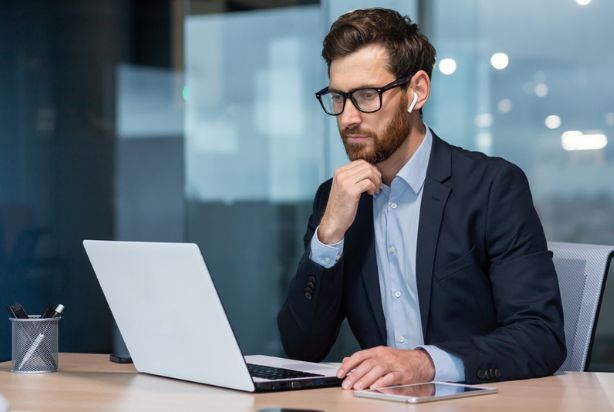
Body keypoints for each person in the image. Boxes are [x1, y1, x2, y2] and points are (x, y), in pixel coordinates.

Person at [277, 7, 566, 390]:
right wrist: (327, 238)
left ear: (417, 91)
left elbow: (541, 336)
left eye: (366, 95)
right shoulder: (336, 199)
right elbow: (302, 346)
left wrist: (426, 364)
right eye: (338, 98)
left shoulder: (493, 186)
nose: (347, 118)